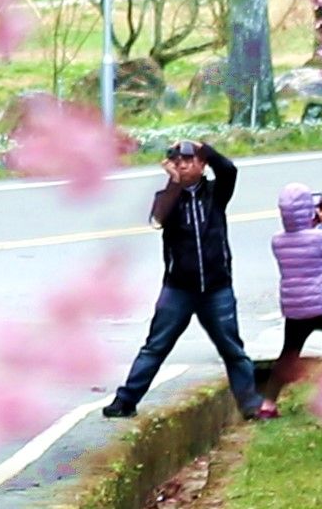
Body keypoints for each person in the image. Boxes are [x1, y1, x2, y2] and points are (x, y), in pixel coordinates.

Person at [100, 143, 265, 419]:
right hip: (178, 289)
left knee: (233, 350)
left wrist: (207, 150)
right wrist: (174, 183)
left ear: (202, 165)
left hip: (217, 287)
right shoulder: (168, 196)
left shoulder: (215, 193)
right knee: (155, 346)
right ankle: (125, 400)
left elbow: (229, 170)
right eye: (177, 161)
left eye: (190, 160)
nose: (184, 165)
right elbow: (158, 218)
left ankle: (251, 405)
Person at [260, 182, 322, 397]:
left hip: (295, 308)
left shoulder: (277, 241)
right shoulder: (318, 237)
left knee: (288, 354)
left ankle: (268, 403)